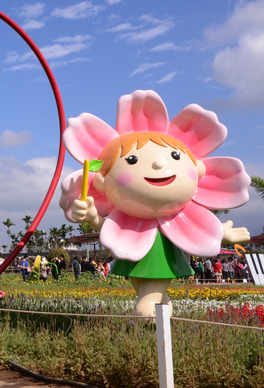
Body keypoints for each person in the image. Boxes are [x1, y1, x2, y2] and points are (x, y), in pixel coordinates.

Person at [61, 90, 250, 317]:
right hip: (134, 250)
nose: (159, 165)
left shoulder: (180, 215)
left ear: (199, 170)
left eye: (176, 157)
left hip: (162, 254)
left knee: (145, 306)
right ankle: (163, 331)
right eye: (132, 160)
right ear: (102, 181)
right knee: (152, 296)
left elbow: (197, 229)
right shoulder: (126, 217)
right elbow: (112, 229)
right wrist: (93, 217)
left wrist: (221, 233)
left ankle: (151, 331)